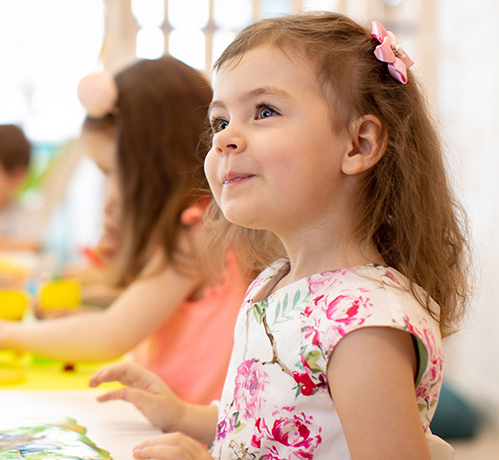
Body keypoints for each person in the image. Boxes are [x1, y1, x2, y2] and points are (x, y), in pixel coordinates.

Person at [88, 12, 471, 459]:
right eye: (219, 122)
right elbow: (277, 426)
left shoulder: (362, 325)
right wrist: (183, 415)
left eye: (264, 111)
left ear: (359, 144)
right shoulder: (276, 283)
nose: (225, 139)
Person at [0, 57, 253, 405]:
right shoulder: (196, 227)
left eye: (112, 173)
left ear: (156, 167)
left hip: (187, 437)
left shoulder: (200, 234)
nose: (108, 198)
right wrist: (87, 315)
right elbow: (144, 318)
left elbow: (110, 335)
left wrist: (1, 333)